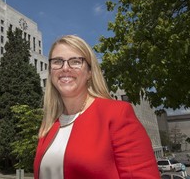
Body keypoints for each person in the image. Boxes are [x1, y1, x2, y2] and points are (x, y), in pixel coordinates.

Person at [34, 35, 160, 179]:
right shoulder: (49, 125)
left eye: (75, 61)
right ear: (50, 71)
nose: (65, 68)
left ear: (89, 72)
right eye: (57, 61)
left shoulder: (117, 114)